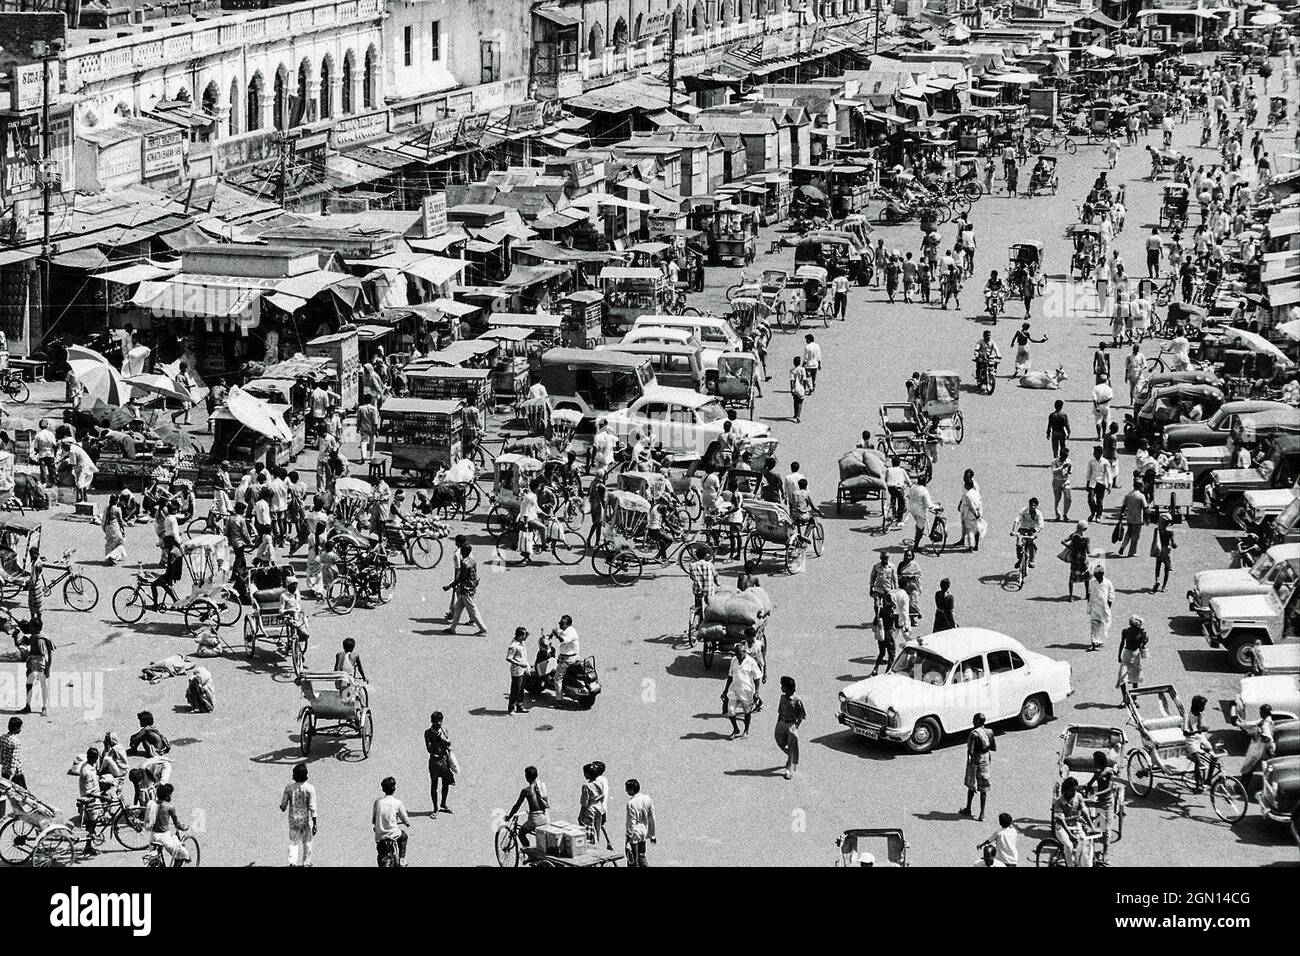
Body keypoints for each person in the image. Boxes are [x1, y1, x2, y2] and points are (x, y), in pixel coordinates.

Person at [442, 542, 487, 635]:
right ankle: (452, 628)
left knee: (473, 610)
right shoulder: (472, 561)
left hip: (466, 590)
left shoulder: (464, 562)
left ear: (462, 552)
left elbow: (461, 578)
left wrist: (449, 586)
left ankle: (483, 629)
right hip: (469, 588)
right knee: (457, 608)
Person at [722, 643, 763, 739]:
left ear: (744, 652)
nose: (738, 656)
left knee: (747, 711)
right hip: (734, 689)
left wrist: (757, 692)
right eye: (736, 654)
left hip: (746, 691)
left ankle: (746, 730)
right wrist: (725, 690)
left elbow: (757, 677)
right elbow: (730, 676)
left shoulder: (751, 662)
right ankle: (736, 729)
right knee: (730, 711)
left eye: (740, 654)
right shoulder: (734, 660)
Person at [280, 762, 318, 867]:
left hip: (294, 820)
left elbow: (283, 806)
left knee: (293, 842)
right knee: (307, 843)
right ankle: (306, 863)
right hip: (306, 821)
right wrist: (315, 824)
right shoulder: (310, 788)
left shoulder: (289, 788)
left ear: (295, 776)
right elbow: (312, 807)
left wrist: (283, 806)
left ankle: (292, 862)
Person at [1052, 776, 1094, 867]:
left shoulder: (1078, 797)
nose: (1074, 793)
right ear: (1066, 790)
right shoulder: (1059, 802)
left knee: (1086, 844)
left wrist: (1092, 827)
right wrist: (1070, 835)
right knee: (1069, 846)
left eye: (1075, 790)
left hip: (1075, 825)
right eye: (1071, 791)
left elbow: (1085, 812)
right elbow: (1061, 820)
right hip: (1062, 827)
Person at [961, 713, 996, 822]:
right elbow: (993, 747)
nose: (972, 722)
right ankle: (982, 814)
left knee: (971, 784)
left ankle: (968, 809)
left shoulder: (974, 734)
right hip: (985, 759)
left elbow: (970, 751)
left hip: (976, 760)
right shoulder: (990, 732)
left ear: (977, 721)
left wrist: (970, 761)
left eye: (974, 720)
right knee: (984, 787)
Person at [146, 783, 192, 866]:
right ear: (167, 796)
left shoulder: (152, 804)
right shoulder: (169, 807)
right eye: (170, 794)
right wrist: (184, 827)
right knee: (181, 855)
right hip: (164, 837)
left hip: (153, 836)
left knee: (154, 858)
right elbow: (177, 824)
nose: (171, 796)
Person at [505, 766, 550, 847]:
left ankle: (527, 850)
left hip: (535, 819)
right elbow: (545, 803)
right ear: (536, 775)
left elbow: (517, 806)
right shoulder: (542, 786)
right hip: (545, 817)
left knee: (521, 832)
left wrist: (509, 817)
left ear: (527, 777)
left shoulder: (526, 790)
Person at [372, 776, 411, 866]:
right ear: (394, 789)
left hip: (380, 836)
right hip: (393, 834)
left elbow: (374, 820)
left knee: (381, 853)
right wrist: (406, 823)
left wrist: (376, 826)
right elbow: (405, 818)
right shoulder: (398, 803)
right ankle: (402, 859)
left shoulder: (377, 802)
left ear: (383, 789)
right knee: (404, 836)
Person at [773, 676, 806, 780]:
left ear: (788, 688)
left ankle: (789, 769)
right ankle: (792, 756)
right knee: (780, 741)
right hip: (781, 723)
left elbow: (801, 715)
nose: (781, 687)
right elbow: (780, 711)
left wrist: (796, 726)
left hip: (791, 725)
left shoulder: (797, 700)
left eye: (783, 686)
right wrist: (778, 722)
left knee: (792, 745)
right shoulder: (782, 697)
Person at [20, 620, 52, 716]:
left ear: (37, 628)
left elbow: (49, 654)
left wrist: (48, 668)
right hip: (31, 663)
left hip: (40, 664)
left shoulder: (44, 639)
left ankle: (44, 707)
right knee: (29, 684)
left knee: (43, 685)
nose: (29, 628)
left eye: (31, 626)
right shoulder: (33, 637)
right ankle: (28, 706)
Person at [578, 761, 613, 850]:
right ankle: (598, 843)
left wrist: (580, 815)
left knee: (588, 829)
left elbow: (584, 802)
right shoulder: (599, 782)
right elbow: (602, 795)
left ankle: (590, 847)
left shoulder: (586, 786)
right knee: (597, 827)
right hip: (598, 807)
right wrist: (596, 800)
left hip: (590, 809)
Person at [624, 778, 656, 867]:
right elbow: (652, 817)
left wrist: (628, 837)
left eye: (627, 789)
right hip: (644, 831)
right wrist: (652, 834)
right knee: (641, 856)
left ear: (631, 790)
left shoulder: (631, 803)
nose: (626, 791)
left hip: (634, 834)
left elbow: (631, 822)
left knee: (632, 860)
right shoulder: (647, 798)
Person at [1240, 705, 1276, 784]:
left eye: (1261, 712)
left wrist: (1258, 736)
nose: (1260, 713)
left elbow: (1267, 737)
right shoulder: (1266, 720)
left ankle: (1244, 785)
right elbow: (1255, 723)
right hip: (1266, 748)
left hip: (1264, 748)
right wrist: (1241, 723)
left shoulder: (1265, 723)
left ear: (1264, 712)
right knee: (1252, 767)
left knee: (1251, 766)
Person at [1183, 694, 1212, 791]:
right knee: (1198, 761)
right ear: (1198, 706)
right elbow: (1185, 732)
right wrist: (1197, 731)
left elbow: (1202, 726)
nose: (1204, 708)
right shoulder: (1187, 716)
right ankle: (1198, 783)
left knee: (1214, 756)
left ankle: (1209, 779)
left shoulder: (1201, 713)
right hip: (1191, 740)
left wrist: (1203, 726)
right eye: (1203, 706)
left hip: (1200, 738)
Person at [1116, 615, 1149, 695]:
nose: (1137, 628)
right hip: (1127, 654)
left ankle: (1134, 698)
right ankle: (1125, 697)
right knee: (1122, 676)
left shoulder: (1143, 632)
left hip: (1135, 656)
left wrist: (1144, 642)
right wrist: (1119, 655)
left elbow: (1143, 644)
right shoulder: (1126, 631)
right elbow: (1122, 643)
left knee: (1135, 678)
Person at [1087, 565, 1115, 650]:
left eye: (1098, 574)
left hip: (1104, 608)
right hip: (1095, 607)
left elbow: (1111, 595)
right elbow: (1089, 593)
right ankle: (1093, 642)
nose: (1096, 576)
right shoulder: (1092, 582)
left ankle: (1099, 641)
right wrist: (1089, 605)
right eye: (1095, 574)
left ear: (1102, 574)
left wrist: (1108, 606)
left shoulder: (1108, 582)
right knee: (1094, 624)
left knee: (1104, 624)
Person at [1086, 446, 1113, 521]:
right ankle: (1093, 512)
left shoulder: (1105, 462)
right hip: (1092, 482)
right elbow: (1089, 472)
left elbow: (1109, 473)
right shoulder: (1091, 462)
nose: (1093, 454)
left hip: (1101, 483)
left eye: (1095, 452)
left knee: (1099, 501)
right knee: (1090, 499)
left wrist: (1109, 485)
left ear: (1100, 453)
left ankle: (1098, 515)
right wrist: (1087, 482)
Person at [958, 472, 984, 552]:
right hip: (976, 512)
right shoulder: (974, 492)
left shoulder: (969, 493)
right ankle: (975, 545)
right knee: (976, 529)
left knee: (969, 530)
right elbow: (980, 501)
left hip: (970, 513)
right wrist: (979, 512)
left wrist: (975, 513)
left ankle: (970, 547)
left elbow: (971, 506)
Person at [506, 627, 529, 715]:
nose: (526, 637)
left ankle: (520, 706)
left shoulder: (521, 642)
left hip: (522, 670)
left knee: (521, 689)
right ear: (521, 636)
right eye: (525, 635)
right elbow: (509, 658)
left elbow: (524, 638)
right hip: (517, 671)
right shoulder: (514, 646)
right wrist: (520, 664)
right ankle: (511, 709)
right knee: (515, 690)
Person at [1051, 447, 1073, 522]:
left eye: (1066, 456)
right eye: (1064, 456)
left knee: (1068, 498)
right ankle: (1057, 515)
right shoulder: (1055, 461)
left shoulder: (1068, 461)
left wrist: (1069, 468)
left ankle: (1065, 514)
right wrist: (1062, 467)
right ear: (1061, 455)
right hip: (1057, 481)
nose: (1065, 458)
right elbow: (1053, 471)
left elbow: (1070, 471)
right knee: (1057, 499)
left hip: (1065, 481)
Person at [789, 356, 809, 423]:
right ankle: (798, 416)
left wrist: (791, 389)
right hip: (801, 387)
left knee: (795, 401)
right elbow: (805, 380)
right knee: (800, 402)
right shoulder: (802, 369)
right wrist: (805, 389)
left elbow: (792, 380)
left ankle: (795, 414)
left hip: (795, 387)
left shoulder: (792, 370)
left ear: (794, 362)